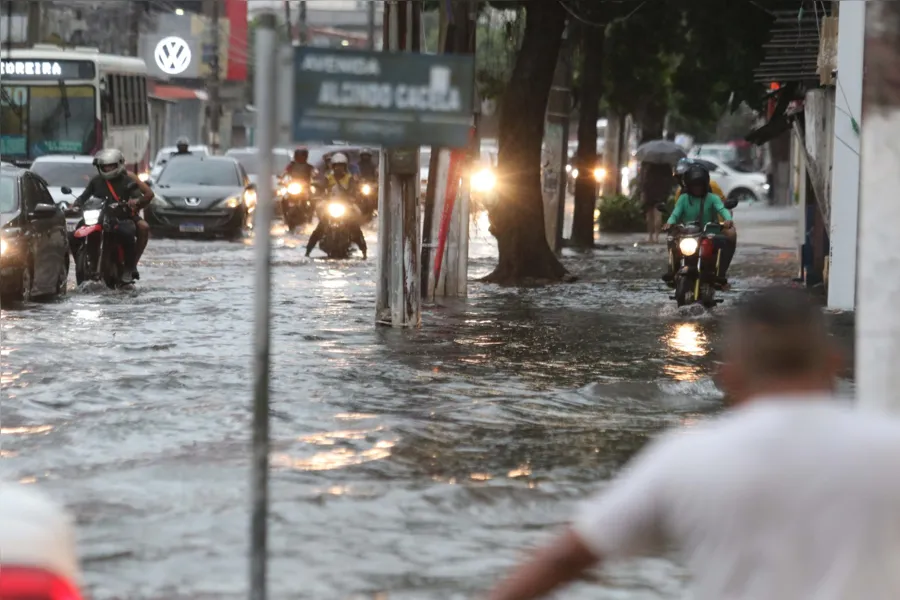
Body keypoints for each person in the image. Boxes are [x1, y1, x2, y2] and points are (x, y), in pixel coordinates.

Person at [487, 286, 900, 600]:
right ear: (834, 364)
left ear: (730, 376)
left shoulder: (688, 457)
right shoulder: (889, 448)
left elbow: (563, 559)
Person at [73, 148, 153, 284]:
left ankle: (130, 266)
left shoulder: (127, 179)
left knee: (129, 233)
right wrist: (76, 204)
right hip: (98, 216)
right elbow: (84, 196)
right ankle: (83, 262)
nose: (108, 168)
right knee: (74, 234)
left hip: (122, 216)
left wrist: (134, 202)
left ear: (118, 165)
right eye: (105, 166)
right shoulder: (96, 181)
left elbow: (138, 196)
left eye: (111, 166)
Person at [663, 163, 736, 287]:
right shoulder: (683, 197)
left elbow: (722, 209)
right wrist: (669, 223)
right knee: (671, 238)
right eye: (694, 185)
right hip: (687, 231)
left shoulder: (713, 197)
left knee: (729, 236)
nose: (697, 188)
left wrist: (728, 220)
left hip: (709, 230)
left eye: (699, 185)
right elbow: (676, 213)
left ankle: (720, 273)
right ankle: (673, 270)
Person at [306, 153, 367, 258]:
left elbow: (354, 191)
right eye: (337, 165)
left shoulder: (349, 179)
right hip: (331, 206)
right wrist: (319, 196)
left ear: (345, 166)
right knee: (321, 226)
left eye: (341, 166)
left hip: (346, 206)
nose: (339, 168)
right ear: (333, 166)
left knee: (354, 226)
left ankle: (364, 251)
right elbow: (321, 189)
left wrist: (353, 197)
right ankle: (308, 251)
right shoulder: (328, 178)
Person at [637, 161, 674, 244]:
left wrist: (642, 191)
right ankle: (656, 236)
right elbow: (670, 179)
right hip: (661, 192)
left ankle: (650, 236)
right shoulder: (666, 164)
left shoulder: (647, 163)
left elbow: (642, 179)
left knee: (649, 215)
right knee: (658, 214)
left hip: (649, 191)